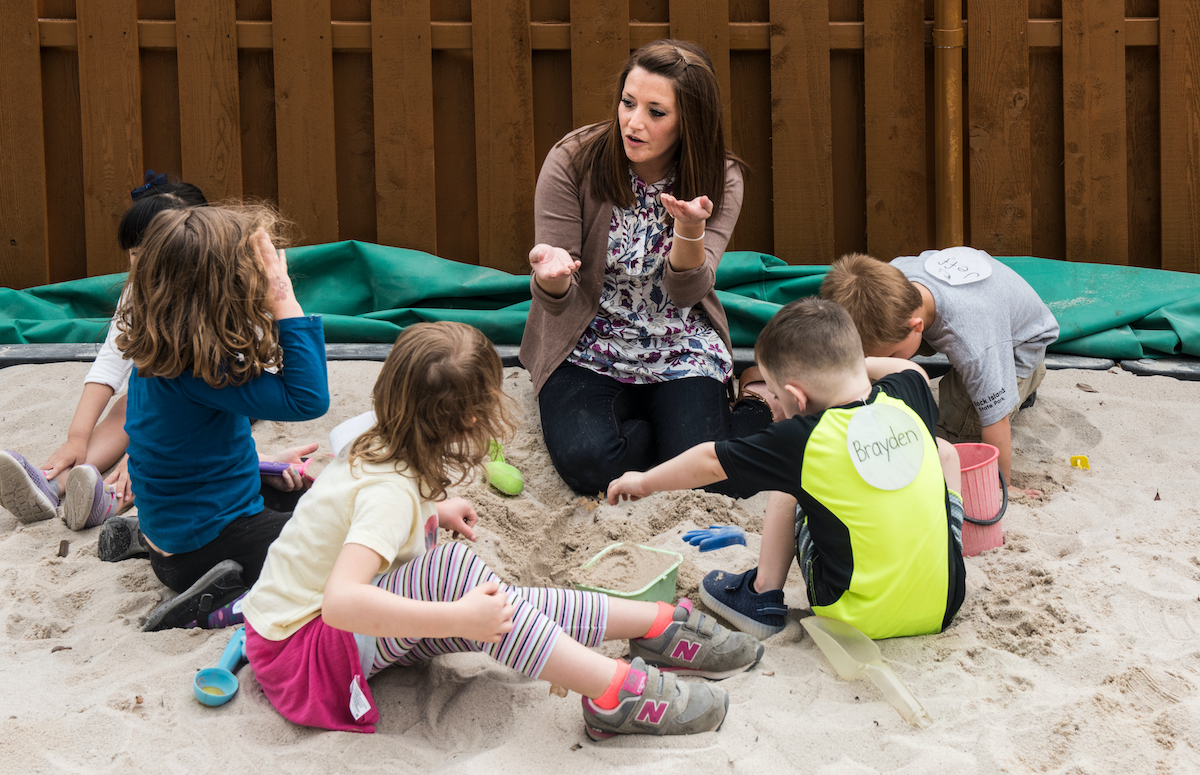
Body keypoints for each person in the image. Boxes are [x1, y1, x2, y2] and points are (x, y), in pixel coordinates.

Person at [241, 322, 763, 737]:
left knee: (495, 603)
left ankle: (654, 625)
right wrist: (457, 617)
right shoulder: (389, 495)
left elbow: (353, 513)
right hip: (301, 660)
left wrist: (433, 514)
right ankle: (614, 691)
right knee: (456, 577)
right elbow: (340, 602)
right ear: (472, 422)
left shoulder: (381, 438)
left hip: (301, 638)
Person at [608, 298, 966, 641]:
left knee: (790, 478)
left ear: (799, 396)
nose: (776, 405)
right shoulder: (909, 392)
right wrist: (850, 365)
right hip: (944, 605)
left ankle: (762, 593)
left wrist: (645, 480)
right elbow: (909, 367)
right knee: (941, 453)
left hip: (854, 617)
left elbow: (709, 460)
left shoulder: (804, 439)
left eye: (777, 396)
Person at [521, 39, 775, 497]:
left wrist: (690, 230)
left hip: (680, 343)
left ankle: (756, 400)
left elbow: (685, 292)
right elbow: (556, 303)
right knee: (590, 466)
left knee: (716, 485)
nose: (633, 122)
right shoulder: (573, 159)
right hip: (588, 344)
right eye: (628, 102)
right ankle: (673, 439)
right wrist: (551, 277)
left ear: (689, 122)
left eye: (656, 112)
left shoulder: (722, 176)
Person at [108, 203, 329, 631]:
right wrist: (285, 298)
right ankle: (221, 603)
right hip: (203, 555)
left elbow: (182, 454)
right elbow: (308, 399)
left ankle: (143, 541)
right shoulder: (202, 370)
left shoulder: (164, 353)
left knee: (316, 495)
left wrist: (260, 465)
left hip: (179, 534)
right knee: (330, 537)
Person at [0, 174, 208, 530]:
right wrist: (76, 439)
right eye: (135, 256)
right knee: (127, 406)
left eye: (155, 255)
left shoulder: (217, 293)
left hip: (223, 395)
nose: (143, 269)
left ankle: (112, 499)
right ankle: (54, 485)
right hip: (166, 389)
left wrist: (141, 451)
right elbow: (112, 362)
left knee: (160, 448)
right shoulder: (140, 291)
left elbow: (210, 390)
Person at [820, 248, 1059, 494]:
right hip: (984, 310)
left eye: (890, 356)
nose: (885, 364)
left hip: (1021, 343)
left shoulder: (973, 340)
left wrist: (1002, 486)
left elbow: (995, 420)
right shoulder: (894, 278)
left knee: (963, 425)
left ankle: (1026, 380)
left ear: (917, 326)